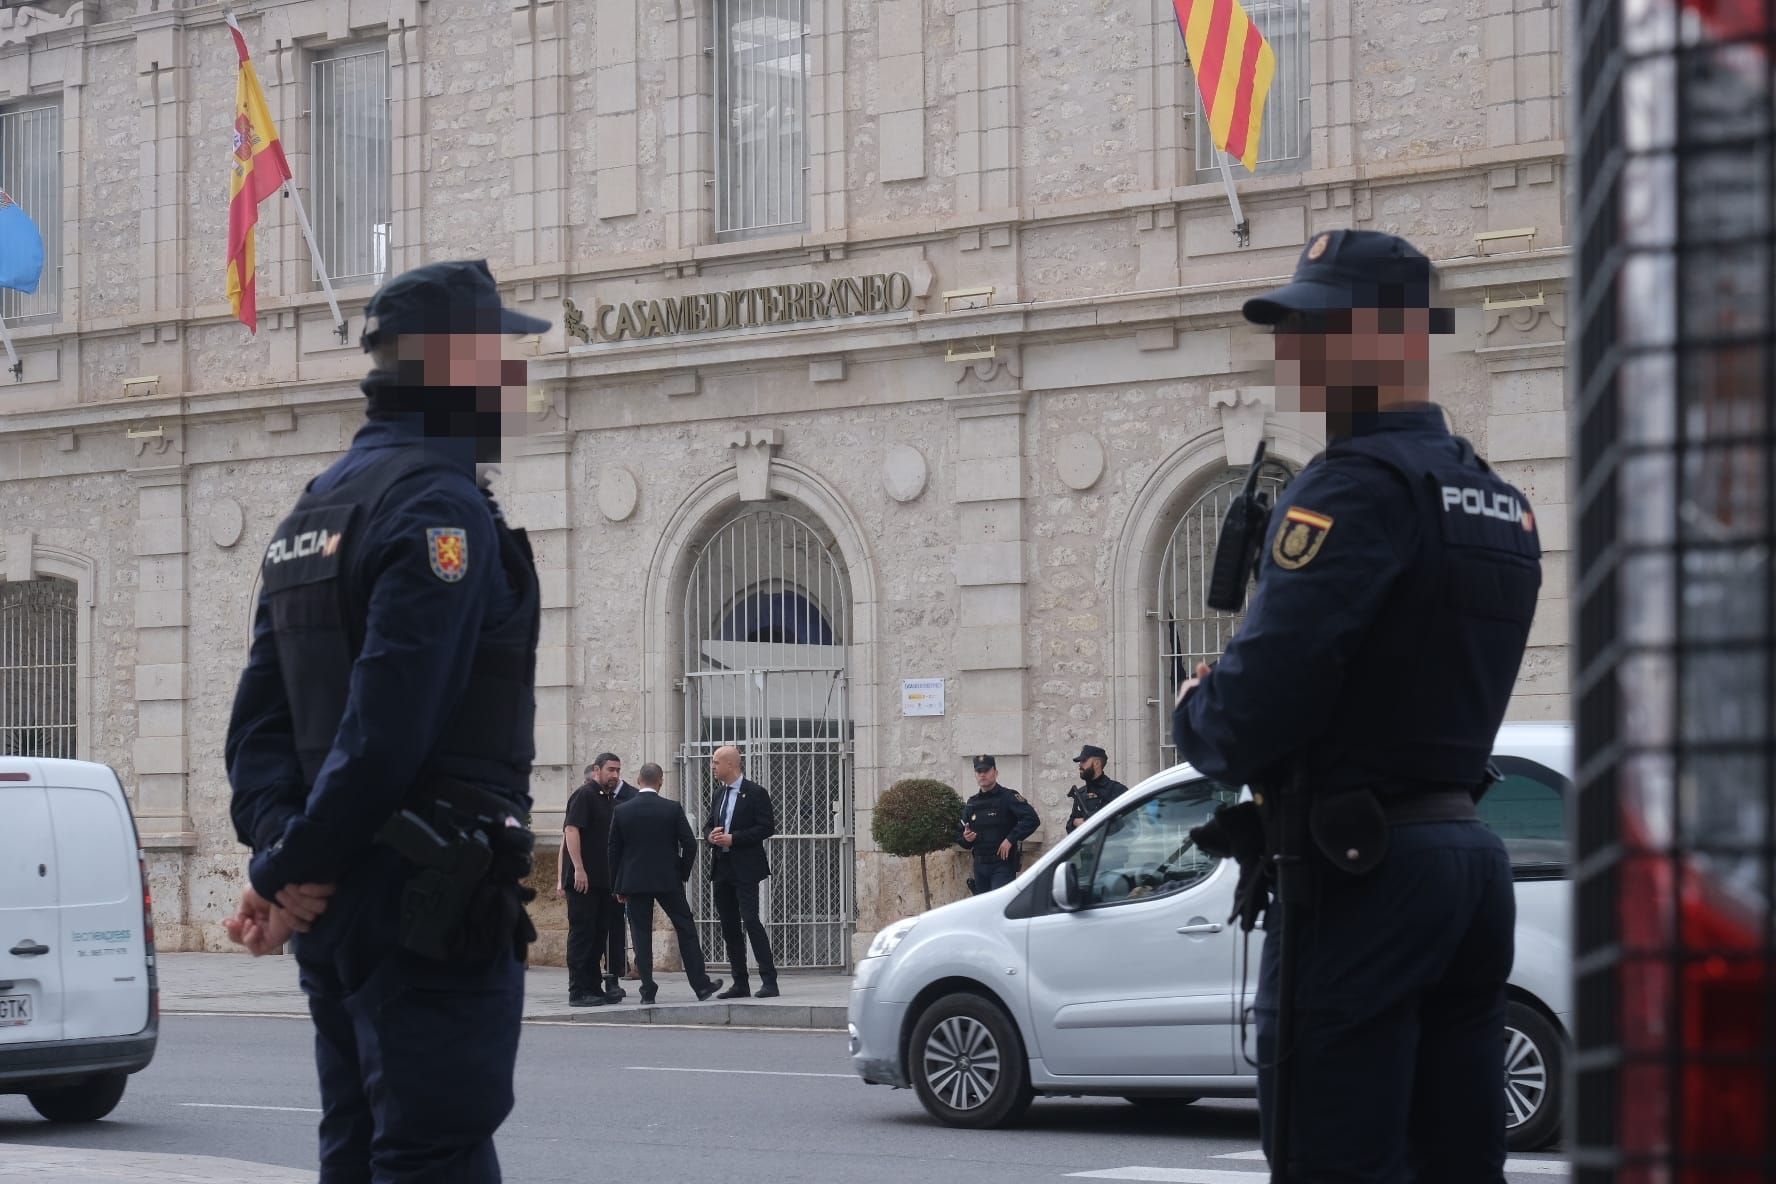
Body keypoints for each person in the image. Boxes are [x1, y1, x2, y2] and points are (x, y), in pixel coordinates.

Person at [1172, 229, 1541, 1182]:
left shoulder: (1350, 489)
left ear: (1394, 339)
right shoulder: (1496, 500)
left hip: (1361, 872)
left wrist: (1199, 712)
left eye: (1321, 329)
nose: (1298, 352)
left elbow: (1259, 707)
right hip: (1463, 863)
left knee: (1331, 1159)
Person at [223, 259, 550, 1181]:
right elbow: (388, 724)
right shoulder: (438, 506)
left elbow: (257, 729)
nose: (513, 382)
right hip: (425, 901)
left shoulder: (315, 506)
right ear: (453, 368)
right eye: (501, 358)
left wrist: (286, 865)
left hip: (341, 909)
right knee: (433, 1151)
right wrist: (293, 870)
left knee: (359, 1145)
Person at [608, 763, 724, 1004]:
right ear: (660, 781)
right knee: (686, 928)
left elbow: (613, 851)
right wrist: (680, 872)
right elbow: (690, 844)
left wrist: (618, 886)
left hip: (634, 881)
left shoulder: (622, 811)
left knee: (640, 933)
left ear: (639, 780)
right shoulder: (671, 809)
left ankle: (648, 989)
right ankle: (701, 985)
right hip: (668, 880)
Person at [704, 745, 779, 998]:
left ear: (731, 765)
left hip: (746, 868)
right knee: (729, 926)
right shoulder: (718, 794)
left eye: (716, 762)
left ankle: (769, 980)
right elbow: (708, 826)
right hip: (722, 868)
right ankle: (740, 982)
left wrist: (734, 839)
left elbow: (766, 827)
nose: (713, 766)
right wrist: (711, 837)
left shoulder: (755, 793)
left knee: (750, 920)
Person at [562, 755, 621, 1007]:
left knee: (598, 936)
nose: (615, 775)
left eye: (618, 770)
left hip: (603, 881)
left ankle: (593, 987)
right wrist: (578, 868)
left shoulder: (607, 799)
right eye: (610, 770)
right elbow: (571, 830)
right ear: (597, 770)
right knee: (583, 934)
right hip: (583, 880)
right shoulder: (584, 795)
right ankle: (578, 990)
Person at [957, 756, 1039, 894]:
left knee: (999, 905)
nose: (982, 774)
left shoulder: (1007, 797)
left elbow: (1031, 819)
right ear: (975, 775)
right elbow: (960, 835)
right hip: (980, 866)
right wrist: (966, 838)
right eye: (979, 771)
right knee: (984, 910)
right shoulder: (972, 803)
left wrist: (1010, 840)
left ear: (995, 773)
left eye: (986, 770)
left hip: (1002, 865)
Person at [1064, 744, 1129, 831]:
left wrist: (1100, 824)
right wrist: (1075, 822)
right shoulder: (1081, 793)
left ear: (1097, 763)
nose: (1080, 765)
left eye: (1084, 761)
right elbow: (1069, 827)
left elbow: (1130, 825)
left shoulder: (1117, 790)